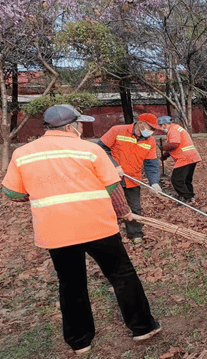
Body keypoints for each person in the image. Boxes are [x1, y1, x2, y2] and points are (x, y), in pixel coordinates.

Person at [1, 105, 162, 355]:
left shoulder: (23, 154)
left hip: (56, 231)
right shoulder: (90, 149)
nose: (80, 129)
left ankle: (80, 342)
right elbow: (112, 187)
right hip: (98, 226)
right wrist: (124, 213)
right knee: (122, 276)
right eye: (79, 124)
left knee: (71, 284)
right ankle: (143, 328)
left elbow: (12, 193)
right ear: (69, 127)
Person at [97, 113, 162, 244]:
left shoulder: (150, 141)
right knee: (109, 206)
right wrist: (114, 165)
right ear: (141, 123)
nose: (152, 132)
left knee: (134, 208)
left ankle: (135, 234)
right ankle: (107, 235)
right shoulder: (118, 130)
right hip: (112, 178)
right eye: (151, 128)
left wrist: (154, 182)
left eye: (154, 129)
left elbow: (151, 163)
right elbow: (100, 149)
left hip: (133, 179)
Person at [157, 115, 202, 204]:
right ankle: (190, 194)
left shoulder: (173, 130)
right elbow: (174, 145)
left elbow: (174, 144)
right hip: (192, 156)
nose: (161, 128)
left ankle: (185, 196)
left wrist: (163, 148)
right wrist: (165, 155)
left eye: (161, 126)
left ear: (165, 124)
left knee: (176, 179)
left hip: (184, 158)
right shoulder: (177, 129)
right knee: (186, 179)